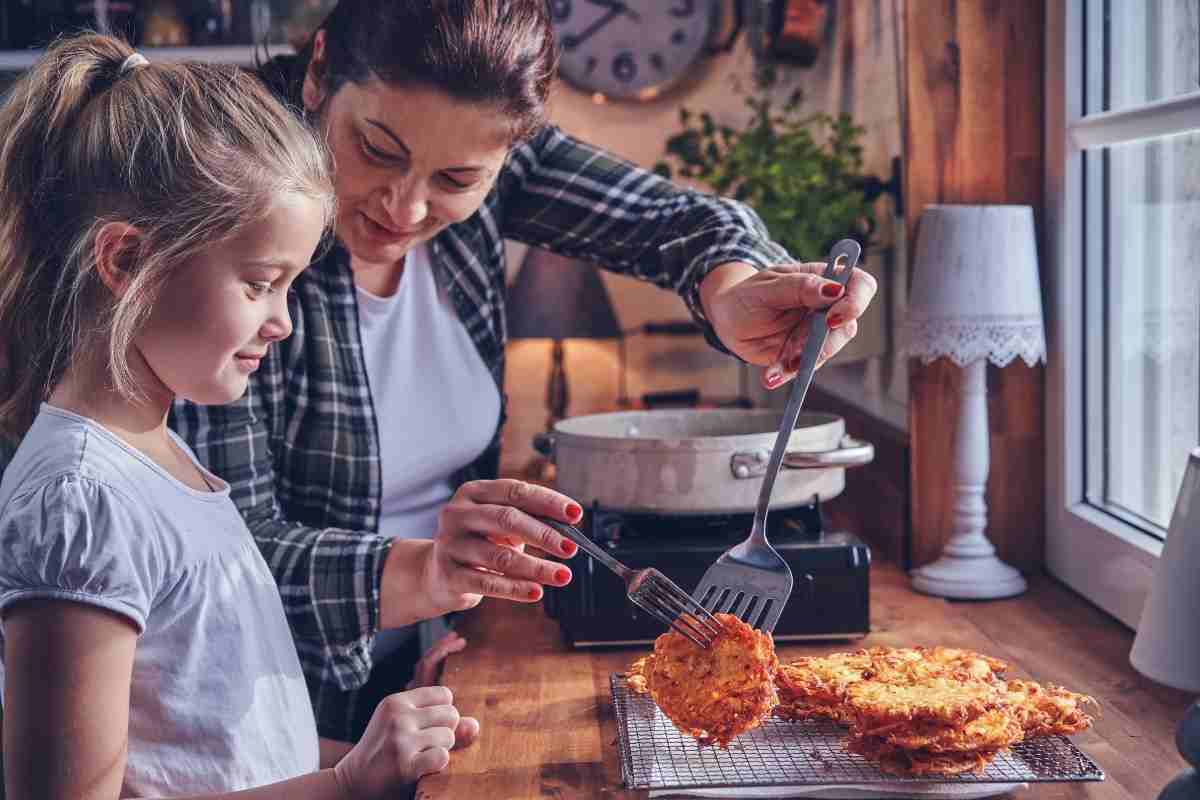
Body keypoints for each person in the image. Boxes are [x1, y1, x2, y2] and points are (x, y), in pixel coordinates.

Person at [171, 0, 879, 746]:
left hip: (417, 678)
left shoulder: (495, 151)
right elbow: (221, 552)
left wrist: (732, 287)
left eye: (455, 178)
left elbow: (679, 224)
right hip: (270, 720)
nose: (405, 206)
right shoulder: (230, 205)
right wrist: (426, 577)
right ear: (319, 72)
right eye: (376, 149)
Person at [0, 32, 526, 798]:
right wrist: (347, 783)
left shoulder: (164, 460)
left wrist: (376, 757)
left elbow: (205, 746)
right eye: (259, 283)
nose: (282, 322)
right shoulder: (81, 501)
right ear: (124, 262)